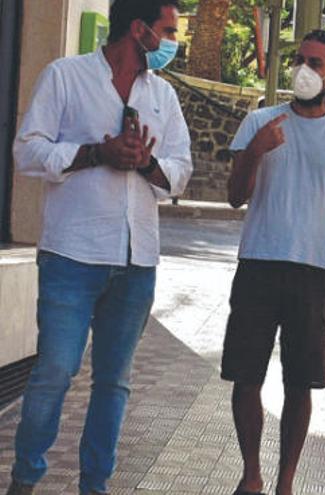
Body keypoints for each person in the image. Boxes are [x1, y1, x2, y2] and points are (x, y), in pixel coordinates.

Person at [7, 1, 192, 494]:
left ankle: (95, 485)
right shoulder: (65, 76)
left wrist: (146, 165)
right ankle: (25, 477)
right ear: (139, 30)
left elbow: (181, 169)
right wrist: (96, 154)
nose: (173, 41)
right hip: (71, 255)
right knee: (55, 370)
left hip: (136, 263)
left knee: (115, 382)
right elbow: (27, 150)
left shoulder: (165, 96)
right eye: (168, 30)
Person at [221, 30, 325, 495]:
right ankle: (252, 474)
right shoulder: (261, 123)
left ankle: (286, 480)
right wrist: (255, 150)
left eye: (315, 62)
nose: (304, 69)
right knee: (246, 375)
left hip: (313, 273)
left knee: (301, 382)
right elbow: (233, 197)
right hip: (259, 263)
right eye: (299, 59)